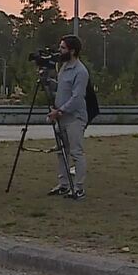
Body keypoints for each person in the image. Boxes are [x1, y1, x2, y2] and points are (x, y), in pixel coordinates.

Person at [47, 35, 90, 200]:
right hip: (62, 117)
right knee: (61, 151)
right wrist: (50, 83)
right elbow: (63, 89)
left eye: (63, 48)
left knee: (76, 152)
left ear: (72, 51)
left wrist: (60, 111)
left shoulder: (80, 71)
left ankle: (78, 188)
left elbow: (77, 97)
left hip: (74, 118)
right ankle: (64, 184)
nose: (60, 50)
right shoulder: (63, 67)